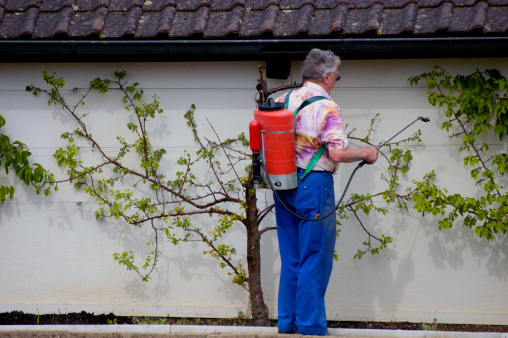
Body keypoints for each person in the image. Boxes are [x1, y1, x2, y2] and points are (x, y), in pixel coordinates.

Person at [273, 49, 378, 335]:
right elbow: (337, 152)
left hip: (283, 186)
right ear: (327, 75)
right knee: (314, 256)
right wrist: (366, 153)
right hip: (314, 186)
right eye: (336, 76)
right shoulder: (328, 107)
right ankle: (310, 327)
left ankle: (287, 323)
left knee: (292, 257)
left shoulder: (283, 101)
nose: (336, 81)